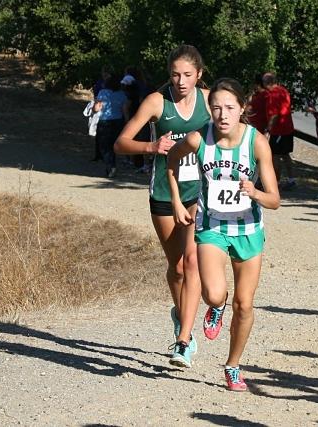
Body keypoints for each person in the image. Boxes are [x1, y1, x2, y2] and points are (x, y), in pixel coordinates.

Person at [166, 77, 280, 391]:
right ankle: (217, 306)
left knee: (244, 305)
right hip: (211, 227)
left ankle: (232, 365)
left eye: (229, 107)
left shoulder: (256, 143)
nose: (223, 114)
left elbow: (275, 200)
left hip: (247, 230)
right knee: (215, 294)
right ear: (209, 109)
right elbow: (171, 163)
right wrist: (177, 201)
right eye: (216, 108)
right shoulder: (197, 139)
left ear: (242, 108)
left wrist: (255, 192)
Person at [115, 45, 211, 367]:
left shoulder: (210, 102)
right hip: (163, 194)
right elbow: (121, 143)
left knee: (193, 261)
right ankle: (180, 313)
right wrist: (152, 145)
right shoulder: (157, 102)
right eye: (175, 74)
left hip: (199, 193)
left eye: (187, 75)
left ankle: (183, 340)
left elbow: (231, 134)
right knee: (178, 268)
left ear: (199, 74)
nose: (181, 81)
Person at [262, 72, 296, 190]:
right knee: (285, 155)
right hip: (288, 128)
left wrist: (268, 130)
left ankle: (276, 181)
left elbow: (274, 115)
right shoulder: (284, 90)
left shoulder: (273, 94)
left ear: (268, 82)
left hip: (279, 130)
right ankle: (292, 179)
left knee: (275, 156)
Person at [93, 75, 130, 178]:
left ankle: (111, 165)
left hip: (105, 121)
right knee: (113, 144)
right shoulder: (122, 94)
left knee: (104, 145)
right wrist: (127, 123)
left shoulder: (102, 93)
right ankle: (112, 164)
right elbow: (125, 111)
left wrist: (93, 108)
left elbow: (97, 108)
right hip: (118, 121)